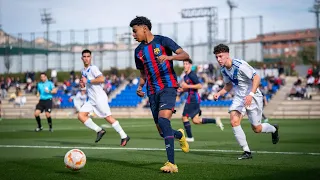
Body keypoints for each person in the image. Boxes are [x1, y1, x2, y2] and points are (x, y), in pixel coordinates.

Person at [130, 16, 190, 173]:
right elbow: (143, 73)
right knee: (163, 131)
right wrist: (140, 86)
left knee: (164, 120)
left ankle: (172, 164)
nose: (133, 35)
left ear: (144, 28)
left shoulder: (163, 41)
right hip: (152, 91)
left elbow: (185, 55)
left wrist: (170, 57)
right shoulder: (138, 51)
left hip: (168, 87)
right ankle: (179, 135)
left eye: (135, 31)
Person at [213, 44, 279, 160]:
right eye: (216, 57)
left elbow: (257, 78)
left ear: (227, 55)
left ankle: (273, 129)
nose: (218, 59)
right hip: (239, 97)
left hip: (253, 96)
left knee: (257, 129)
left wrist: (251, 94)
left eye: (220, 56)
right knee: (234, 121)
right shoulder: (223, 69)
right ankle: (246, 151)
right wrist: (219, 93)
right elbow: (228, 85)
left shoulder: (240, 65)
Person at [79, 49, 130, 146]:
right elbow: (86, 84)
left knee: (108, 117)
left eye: (88, 56)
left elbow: (102, 79)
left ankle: (124, 136)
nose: (86, 58)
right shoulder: (83, 71)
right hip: (91, 99)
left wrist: (88, 81)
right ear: (81, 58)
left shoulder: (93, 68)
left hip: (99, 98)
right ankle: (99, 130)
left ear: (91, 57)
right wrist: (82, 85)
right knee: (81, 116)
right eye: (84, 56)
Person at [178, 59, 224, 142]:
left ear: (190, 65)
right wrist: (183, 90)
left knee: (184, 117)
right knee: (196, 121)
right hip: (191, 98)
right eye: (184, 64)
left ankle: (190, 137)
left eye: (186, 64)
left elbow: (199, 86)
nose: (185, 65)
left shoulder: (192, 74)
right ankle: (215, 120)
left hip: (193, 99)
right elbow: (190, 87)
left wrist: (187, 86)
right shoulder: (185, 76)